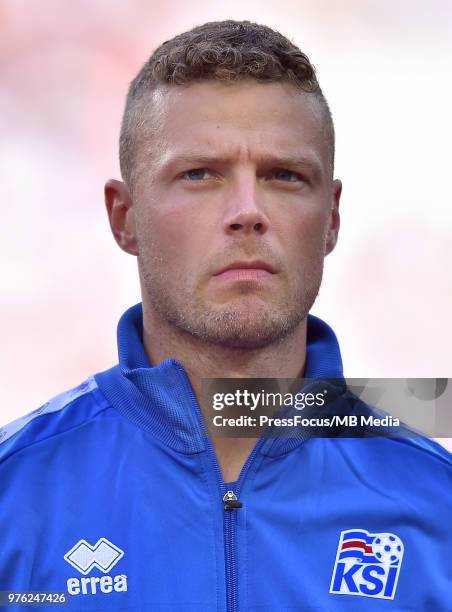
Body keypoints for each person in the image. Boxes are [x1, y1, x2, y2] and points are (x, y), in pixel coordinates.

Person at [0, 20, 450, 611]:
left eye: (284, 176)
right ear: (124, 216)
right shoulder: (16, 494)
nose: (247, 212)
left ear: (332, 217)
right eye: (199, 175)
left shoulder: (435, 505)